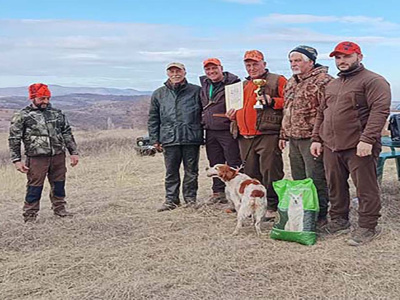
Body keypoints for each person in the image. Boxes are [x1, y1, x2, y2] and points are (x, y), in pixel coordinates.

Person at [311, 41, 391, 246]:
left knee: (365, 187)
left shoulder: (374, 81)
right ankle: (339, 220)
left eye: (347, 56)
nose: (342, 61)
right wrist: (316, 138)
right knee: (335, 185)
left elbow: (379, 112)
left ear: (359, 56)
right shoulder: (333, 84)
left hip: (358, 146)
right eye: (338, 57)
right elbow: (322, 112)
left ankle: (367, 226)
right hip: (331, 145)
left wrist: (367, 139)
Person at [226, 50, 287, 218]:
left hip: (267, 134)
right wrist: (232, 115)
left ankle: (274, 207)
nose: (252, 68)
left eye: (255, 64)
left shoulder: (277, 80)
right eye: (248, 65)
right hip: (244, 136)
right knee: (251, 174)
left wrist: (272, 101)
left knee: (270, 171)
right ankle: (255, 205)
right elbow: (238, 108)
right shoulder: (242, 86)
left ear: (264, 64)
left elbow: (290, 100)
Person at [8, 83, 79, 223]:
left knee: (59, 184)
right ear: (33, 98)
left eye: (47, 98)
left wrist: (73, 152)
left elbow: (66, 133)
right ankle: (30, 215)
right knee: (35, 186)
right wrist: (16, 160)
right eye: (42, 99)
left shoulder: (57, 113)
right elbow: (14, 139)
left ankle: (60, 209)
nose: (46, 101)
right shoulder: (22, 116)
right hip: (36, 158)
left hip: (58, 155)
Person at [279, 45, 334, 226]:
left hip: (312, 139)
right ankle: (305, 212)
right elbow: (286, 110)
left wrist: (318, 138)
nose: (294, 64)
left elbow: (327, 112)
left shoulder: (324, 81)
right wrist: (283, 134)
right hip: (293, 138)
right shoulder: (290, 82)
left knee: (316, 178)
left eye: (298, 60)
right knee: (299, 179)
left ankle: (321, 215)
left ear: (311, 62)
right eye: (291, 61)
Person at [148, 62, 203, 212]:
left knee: (191, 170)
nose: (175, 74)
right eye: (171, 71)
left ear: (185, 72)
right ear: (167, 74)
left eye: (178, 71)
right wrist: (154, 139)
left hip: (191, 136)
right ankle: (171, 200)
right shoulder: (159, 93)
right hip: (169, 138)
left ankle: (190, 199)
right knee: (171, 171)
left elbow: (204, 113)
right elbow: (153, 118)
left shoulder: (196, 91)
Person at [199, 58, 242, 204]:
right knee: (215, 162)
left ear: (221, 68)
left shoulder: (234, 83)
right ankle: (218, 192)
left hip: (227, 129)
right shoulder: (204, 84)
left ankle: (237, 192)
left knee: (233, 161)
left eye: (214, 68)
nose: (211, 72)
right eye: (208, 69)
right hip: (210, 130)